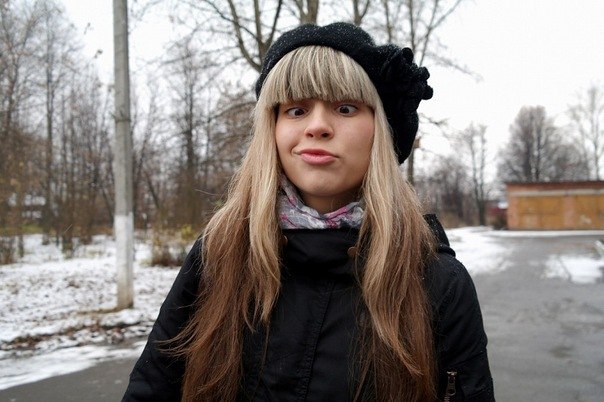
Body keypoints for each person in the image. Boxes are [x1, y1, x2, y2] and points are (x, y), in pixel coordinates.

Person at [123, 22, 494, 402]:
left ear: (381, 132)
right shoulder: (218, 255)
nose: (317, 126)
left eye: (345, 107)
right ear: (272, 129)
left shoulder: (437, 282)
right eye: (296, 109)